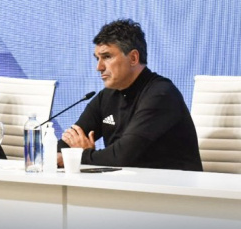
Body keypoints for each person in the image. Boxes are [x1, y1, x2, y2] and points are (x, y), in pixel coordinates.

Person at [58, 19, 202, 171]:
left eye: (107, 57)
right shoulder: (106, 96)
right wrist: (64, 155)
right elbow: (66, 143)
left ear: (133, 58)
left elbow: (121, 157)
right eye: (97, 58)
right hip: (130, 182)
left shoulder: (161, 94)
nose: (99, 67)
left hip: (172, 184)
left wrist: (80, 155)